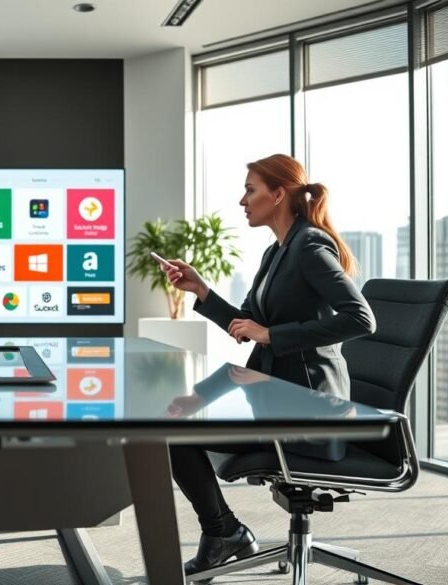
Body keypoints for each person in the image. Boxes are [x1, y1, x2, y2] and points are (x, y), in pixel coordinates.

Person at [160, 153, 376, 577]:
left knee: (176, 430)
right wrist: (200, 289)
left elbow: (360, 318)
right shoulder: (277, 252)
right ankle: (224, 531)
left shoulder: (310, 246)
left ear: (278, 194)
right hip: (277, 395)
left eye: (250, 190)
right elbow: (245, 326)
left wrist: (273, 335)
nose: (243, 200)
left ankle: (223, 532)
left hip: (310, 409)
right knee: (177, 416)